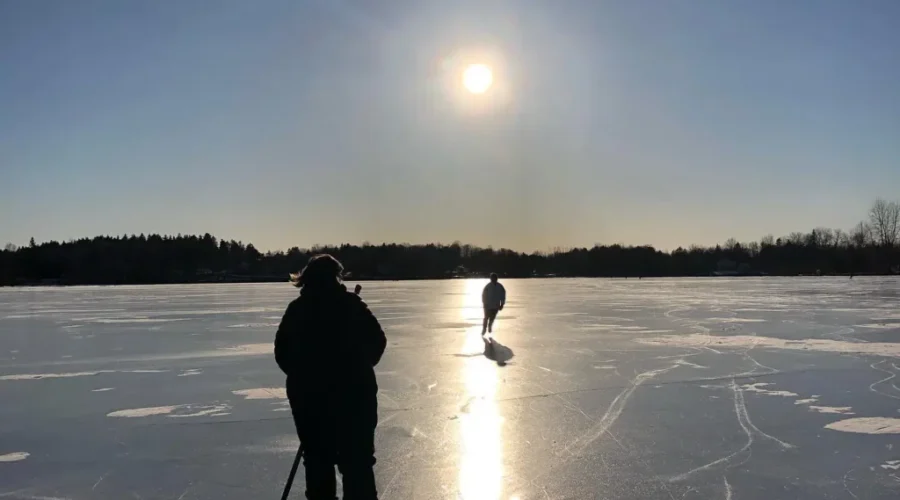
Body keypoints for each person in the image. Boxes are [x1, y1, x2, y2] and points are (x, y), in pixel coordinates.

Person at [275, 254, 386, 500]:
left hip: (309, 399)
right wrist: (358, 369)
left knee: (318, 460)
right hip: (355, 397)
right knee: (357, 462)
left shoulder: (297, 309)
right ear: (336, 276)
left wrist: (303, 377)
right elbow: (377, 342)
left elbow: (282, 353)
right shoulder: (352, 305)